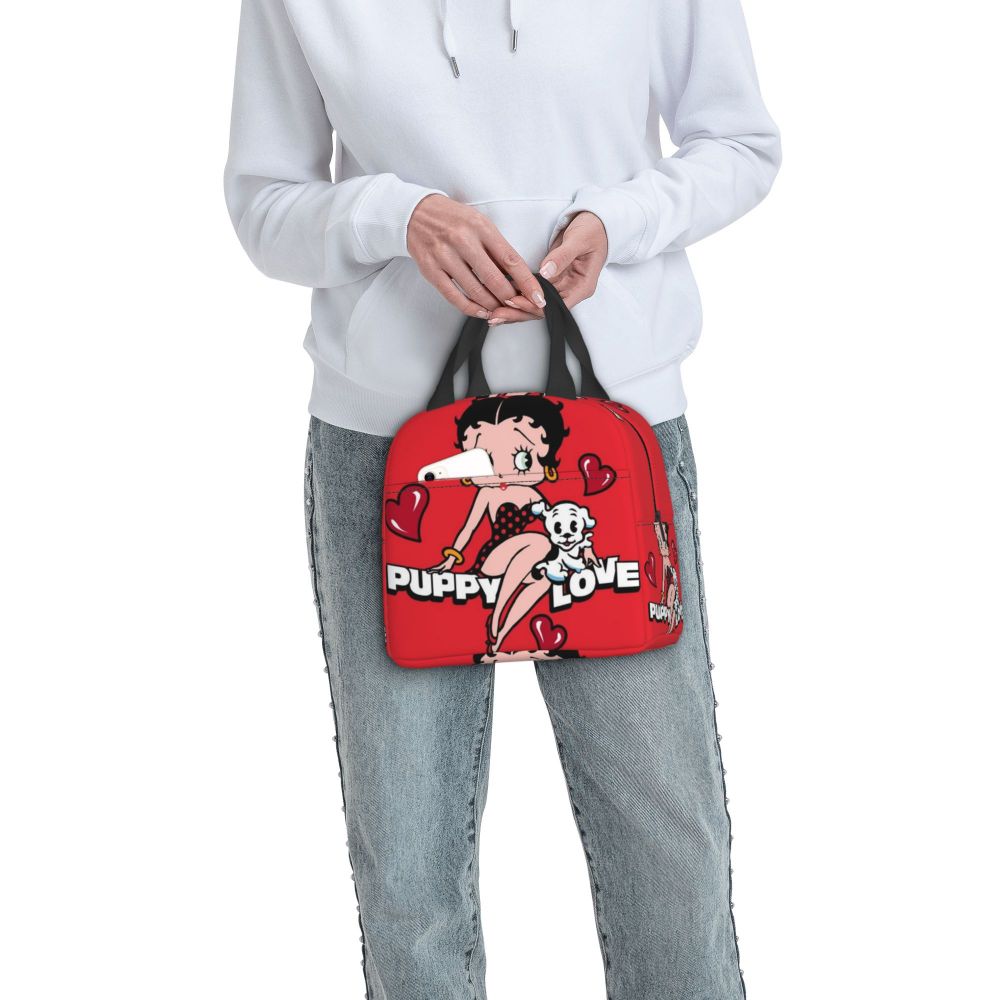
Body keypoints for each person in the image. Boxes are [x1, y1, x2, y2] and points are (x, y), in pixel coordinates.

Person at [225, 1, 780, 997]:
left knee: (669, 847)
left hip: (610, 443)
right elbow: (264, 205)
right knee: (408, 868)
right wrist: (393, 217)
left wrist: (620, 220)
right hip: (390, 455)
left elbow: (739, 143)